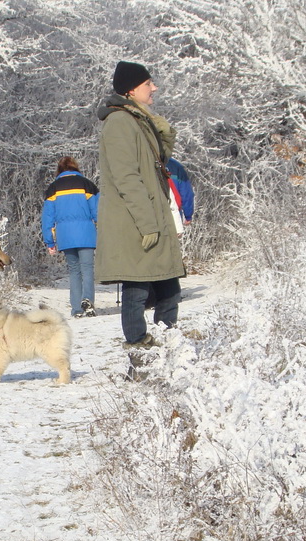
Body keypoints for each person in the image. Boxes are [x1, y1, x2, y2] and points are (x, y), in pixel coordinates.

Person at [95, 61, 185, 360]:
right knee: (137, 288)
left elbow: (155, 165)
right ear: (132, 89)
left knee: (168, 286)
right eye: (149, 83)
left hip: (149, 215)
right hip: (134, 220)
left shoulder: (137, 120)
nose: (154, 88)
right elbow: (127, 177)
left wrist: (164, 135)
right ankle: (140, 354)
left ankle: (164, 345)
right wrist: (148, 224)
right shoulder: (120, 122)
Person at [41, 156, 99, 318]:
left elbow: (47, 217)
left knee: (74, 271)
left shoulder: (53, 188)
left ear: (59, 170)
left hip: (65, 235)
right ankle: (88, 301)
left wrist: (49, 241)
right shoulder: (87, 185)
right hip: (86, 233)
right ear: (76, 168)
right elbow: (97, 211)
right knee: (87, 269)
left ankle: (76, 309)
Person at [166, 157, 194, 226]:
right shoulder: (176, 166)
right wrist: (188, 215)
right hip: (174, 213)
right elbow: (186, 193)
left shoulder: (146, 163)